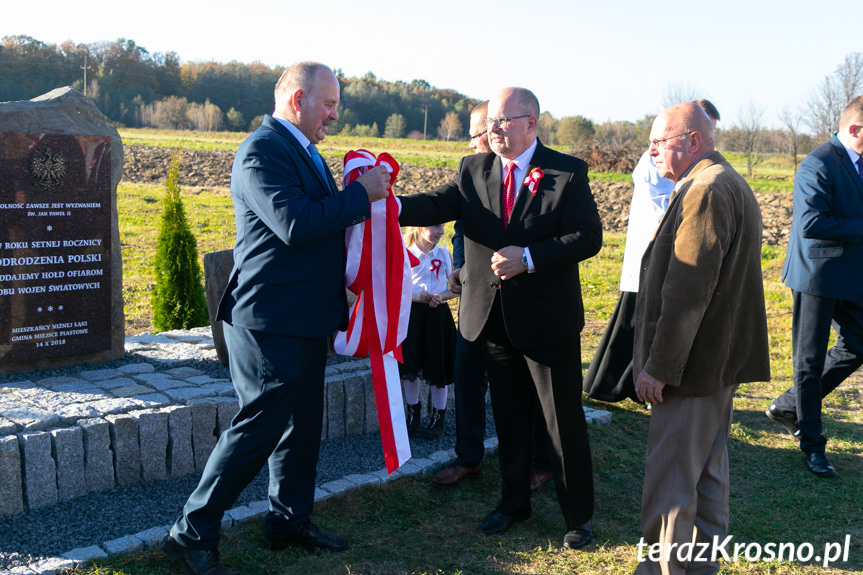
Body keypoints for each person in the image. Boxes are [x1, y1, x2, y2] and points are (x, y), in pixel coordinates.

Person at [161, 62, 390, 575]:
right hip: (268, 320)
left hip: (306, 317)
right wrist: (360, 196)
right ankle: (190, 533)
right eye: (328, 104)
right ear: (297, 100)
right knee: (258, 429)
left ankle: (289, 523)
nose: (334, 114)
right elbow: (294, 223)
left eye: (335, 104)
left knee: (302, 427)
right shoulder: (261, 151)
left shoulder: (303, 149)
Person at [399, 87, 602, 549]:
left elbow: (588, 236)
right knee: (508, 418)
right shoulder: (474, 169)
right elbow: (436, 203)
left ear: (531, 123)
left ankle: (577, 516)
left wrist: (529, 257)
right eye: (490, 121)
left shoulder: (566, 172)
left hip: (547, 322)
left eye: (504, 121)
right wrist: (386, 204)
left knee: (560, 421)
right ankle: (512, 504)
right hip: (491, 320)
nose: (493, 130)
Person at [633, 102, 770, 575]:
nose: (651, 152)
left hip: (690, 370)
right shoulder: (715, 181)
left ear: (693, 141)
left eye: (660, 142)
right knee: (707, 479)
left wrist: (659, 367)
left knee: (671, 487)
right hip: (713, 364)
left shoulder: (706, 189)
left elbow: (688, 291)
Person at [432, 101, 554, 491]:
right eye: (470, 133)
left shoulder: (537, 175)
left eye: (476, 132)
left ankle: (540, 460)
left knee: (527, 385)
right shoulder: (471, 174)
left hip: (523, 302)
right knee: (467, 375)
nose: (472, 143)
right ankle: (469, 457)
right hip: (476, 299)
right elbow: (460, 228)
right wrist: (460, 266)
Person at [584, 99, 720, 403]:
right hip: (651, 250)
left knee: (637, 324)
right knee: (634, 324)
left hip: (661, 252)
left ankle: (623, 384)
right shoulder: (658, 158)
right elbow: (666, 204)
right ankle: (612, 385)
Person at [765, 96, 863, 477]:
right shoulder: (818, 163)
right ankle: (812, 444)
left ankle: (789, 406)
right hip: (816, 277)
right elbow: (812, 224)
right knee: (807, 361)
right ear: (854, 129)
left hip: (851, 276)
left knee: (858, 344)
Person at [400, 224, 457, 439]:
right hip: (413, 316)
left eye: (442, 225)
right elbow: (397, 288)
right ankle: (413, 412)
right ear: (418, 228)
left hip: (438, 316)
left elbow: (454, 287)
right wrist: (418, 297)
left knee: (437, 367)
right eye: (435, 226)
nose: (441, 230)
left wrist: (440, 297)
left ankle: (438, 418)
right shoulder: (405, 254)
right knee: (410, 366)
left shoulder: (444, 253)